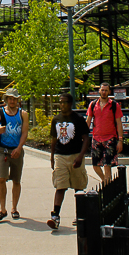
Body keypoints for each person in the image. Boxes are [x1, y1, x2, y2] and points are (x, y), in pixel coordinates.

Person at [47, 93, 90, 230]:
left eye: (65, 102)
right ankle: (55, 216)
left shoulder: (78, 119)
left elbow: (86, 138)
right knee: (60, 186)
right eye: (60, 102)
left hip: (75, 154)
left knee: (78, 187)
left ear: (70, 103)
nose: (62, 105)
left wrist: (80, 156)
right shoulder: (56, 119)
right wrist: (52, 156)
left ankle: (80, 215)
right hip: (61, 155)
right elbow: (54, 139)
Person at [0, 87, 29, 222]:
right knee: (1, 179)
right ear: (6, 99)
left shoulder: (23, 114)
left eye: (14, 99)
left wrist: (19, 147)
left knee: (16, 180)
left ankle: (14, 208)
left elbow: (24, 133)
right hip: (2, 150)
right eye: (10, 98)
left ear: (18, 100)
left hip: (17, 150)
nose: (12, 101)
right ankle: (2, 209)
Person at [86, 82, 124, 184]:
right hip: (96, 138)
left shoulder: (114, 105)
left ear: (109, 91)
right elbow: (88, 121)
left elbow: (119, 123)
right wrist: (84, 136)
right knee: (95, 165)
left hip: (110, 139)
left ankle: (107, 188)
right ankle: (106, 183)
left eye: (106, 90)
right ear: (99, 91)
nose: (104, 92)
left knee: (108, 165)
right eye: (102, 90)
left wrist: (120, 140)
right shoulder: (93, 105)